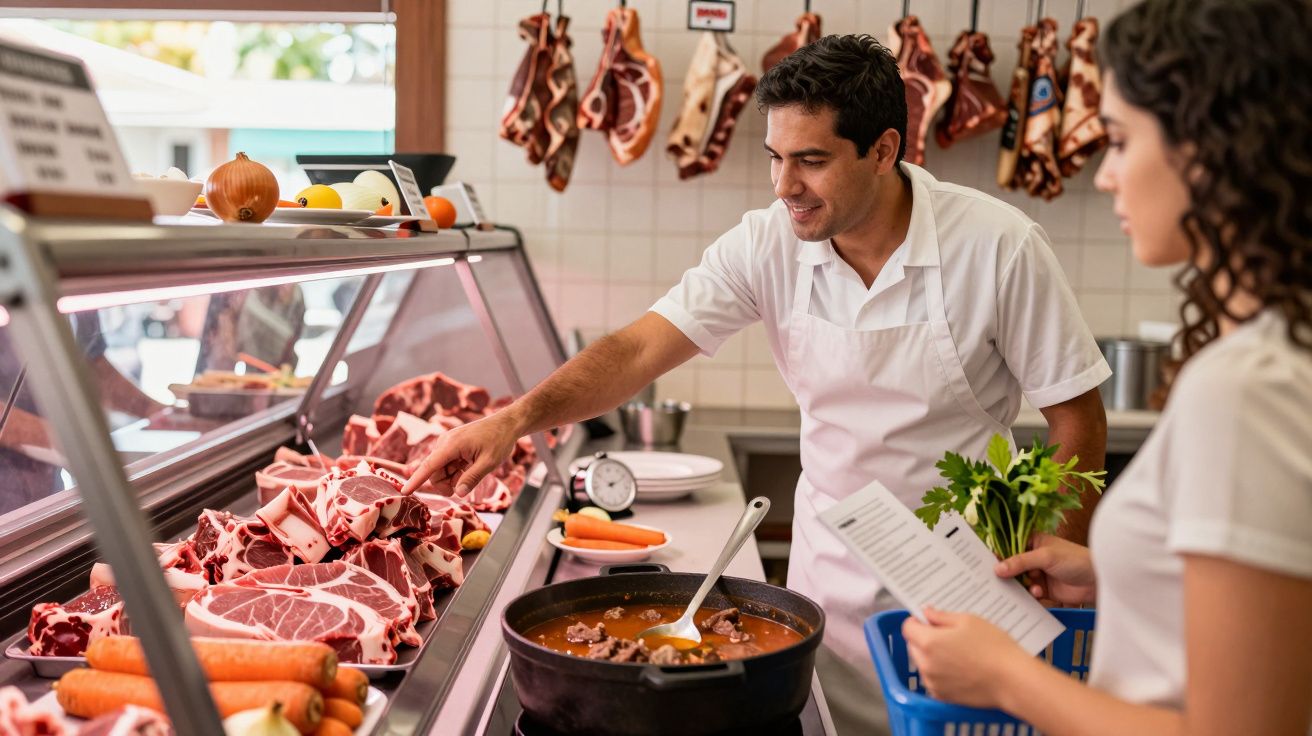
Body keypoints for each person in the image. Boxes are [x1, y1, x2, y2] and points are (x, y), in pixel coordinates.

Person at [407, 34, 1111, 733]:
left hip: (968, 601)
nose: (784, 188)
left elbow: (1077, 418)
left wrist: (1051, 571)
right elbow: (635, 350)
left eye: (811, 161)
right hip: (826, 598)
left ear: (885, 150)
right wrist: (515, 419)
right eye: (775, 159)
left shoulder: (998, 246)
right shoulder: (767, 241)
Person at [902, 1, 1312, 734]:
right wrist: (1110, 572)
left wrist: (1004, 676)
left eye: (1119, 141)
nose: (1104, 176)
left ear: (1211, 146)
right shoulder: (1283, 352)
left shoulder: (1249, 386)